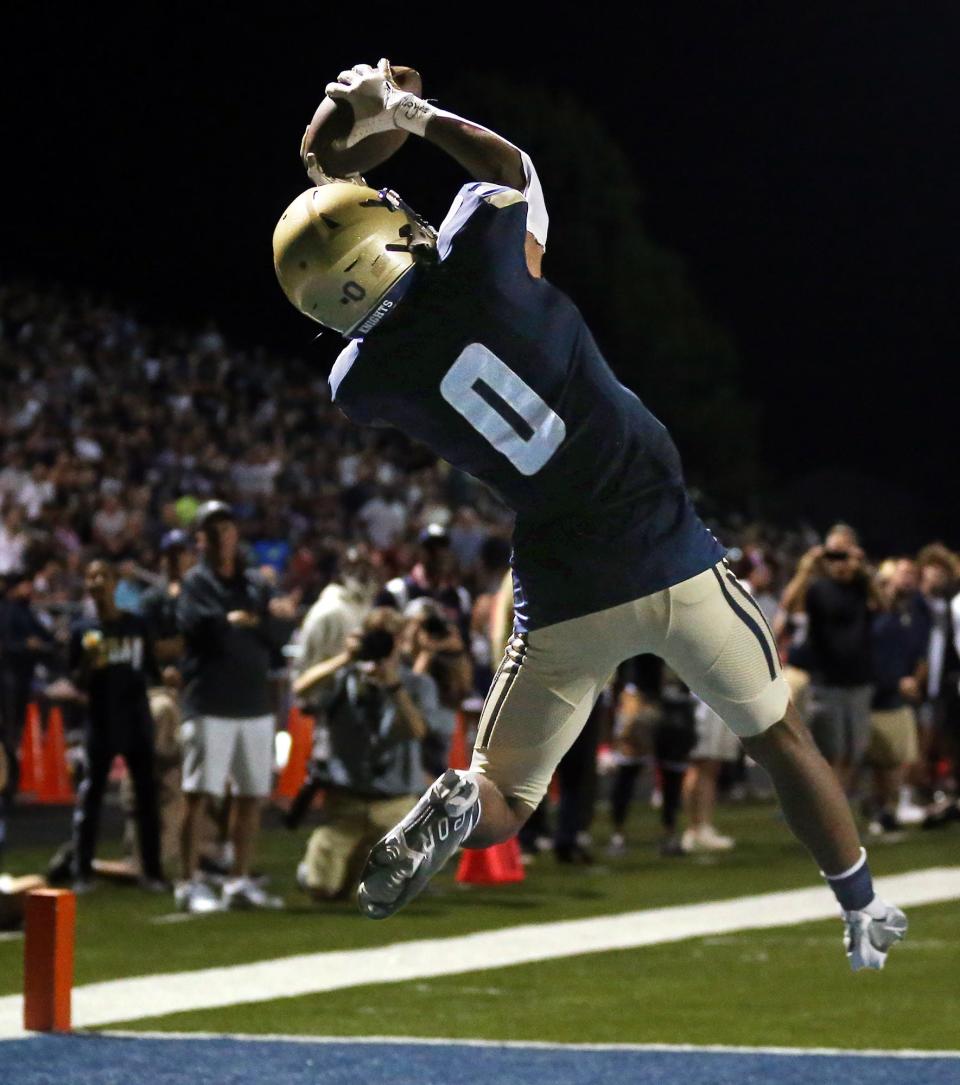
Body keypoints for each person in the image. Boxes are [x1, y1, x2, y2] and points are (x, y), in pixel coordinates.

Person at [272, 60, 906, 969]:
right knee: (779, 737)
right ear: (391, 240)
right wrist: (408, 113)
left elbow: (344, 227)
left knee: (502, 801)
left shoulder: (364, 381)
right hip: (672, 551)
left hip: (566, 586)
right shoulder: (486, 258)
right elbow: (510, 167)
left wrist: (335, 147)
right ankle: (857, 901)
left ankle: (456, 800)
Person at [175, 500, 297, 912]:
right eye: (213, 529)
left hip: (253, 704)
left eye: (226, 527)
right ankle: (188, 882)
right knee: (199, 794)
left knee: (250, 796)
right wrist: (255, 623)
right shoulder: (196, 583)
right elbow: (207, 631)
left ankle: (239, 880)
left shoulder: (253, 584)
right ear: (201, 538)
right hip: (210, 702)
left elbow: (281, 631)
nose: (221, 535)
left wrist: (252, 621)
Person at [291, 607, 440, 899]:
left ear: (401, 642)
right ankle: (321, 869)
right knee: (322, 889)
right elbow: (301, 689)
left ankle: (369, 863)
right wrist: (346, 657)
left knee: (391, 891)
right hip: (347, 802)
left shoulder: (416, 684)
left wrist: (393, 685)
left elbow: (417, 730)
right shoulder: (343, 680)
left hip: (396, 805)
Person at [68, 559, 165, 891]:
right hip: (101, 721)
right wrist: (86, 664)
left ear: (113, 583)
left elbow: (152, 669)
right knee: (91, 796)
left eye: (103, 575)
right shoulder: (82, 630)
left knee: (147, 797)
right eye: (90, 576)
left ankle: (152, 871)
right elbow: (76, 683)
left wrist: (168, 677)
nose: (97, 582)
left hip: (136, 719)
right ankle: (82, 871)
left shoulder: (136, 626)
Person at [781, 525, 877, 790]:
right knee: (831, 752)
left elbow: (883, 604)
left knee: (854, 752)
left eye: (843, 555)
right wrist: (806, 567)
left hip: (858, 680)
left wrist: (864, 568)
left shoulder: (862, 586)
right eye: (833, 555)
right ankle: (828, 811)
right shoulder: (817, 588)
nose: (839, 563)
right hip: (827, 682)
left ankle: (839, 808)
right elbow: (788, 605)